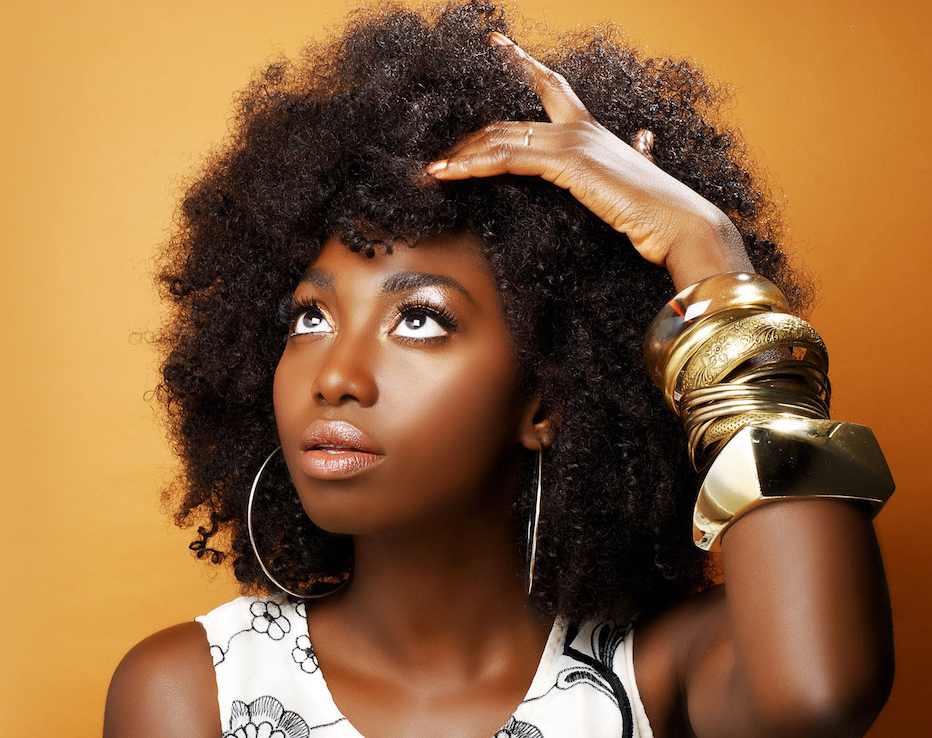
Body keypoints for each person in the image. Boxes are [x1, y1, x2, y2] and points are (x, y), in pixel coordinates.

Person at [104, 2, 894, 736]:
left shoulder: (658, 669)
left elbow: (817, 695)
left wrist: (703, 247)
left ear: (545, 399)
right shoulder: (191, 690)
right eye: (311, 317)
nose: (335, 376)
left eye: (419, 320)